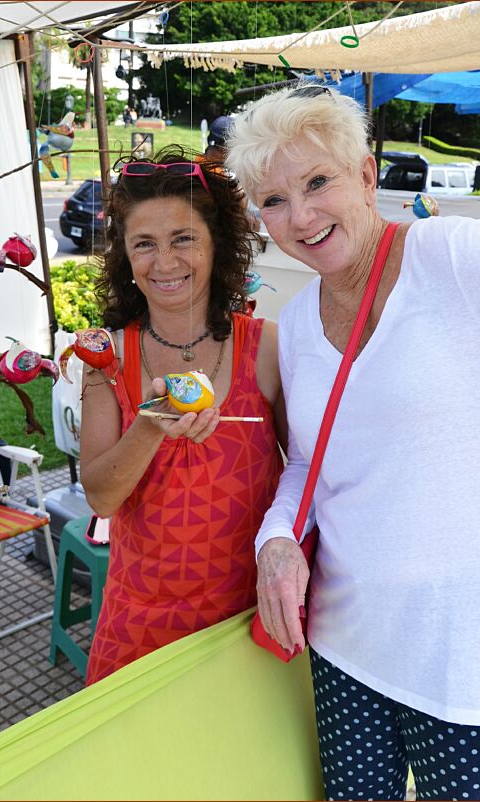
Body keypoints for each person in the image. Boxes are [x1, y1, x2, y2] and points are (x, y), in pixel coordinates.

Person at [225, 83, 480, 801]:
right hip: (345, 646)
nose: (300, 216)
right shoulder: (299, 317)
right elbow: (310, 463)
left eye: (318, 182)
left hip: (468, 655)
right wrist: (276, 539)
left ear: (367, 175)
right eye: (273, 201)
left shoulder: (454, 259)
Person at [80, 146, 286, 686]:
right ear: (125, 257)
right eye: (144, 244)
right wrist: (149, 424)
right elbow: (101, 497)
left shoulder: (264, 349)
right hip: (139, 620)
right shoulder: (107, 356)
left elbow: (308, 470)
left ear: (219, 246)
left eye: (184, 239)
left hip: (249, 613)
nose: (164, 263)